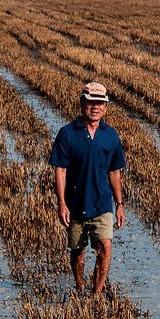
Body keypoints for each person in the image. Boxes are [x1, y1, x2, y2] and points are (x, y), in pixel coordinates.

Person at [50, 81, 126, 295]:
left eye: (100, 103)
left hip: (102, 203)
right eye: (91, 102)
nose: (95, 107)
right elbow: (60, 170)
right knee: (78, 251)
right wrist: (62, 203)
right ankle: (79, 286)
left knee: (105, 247)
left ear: (105, 107)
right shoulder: (67, 133)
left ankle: (96, 294)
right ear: (82, 103)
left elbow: (114, 172)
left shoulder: (111, 135)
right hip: (75, 203)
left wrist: (119, 204)